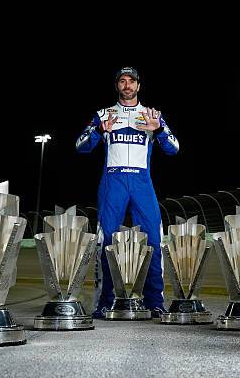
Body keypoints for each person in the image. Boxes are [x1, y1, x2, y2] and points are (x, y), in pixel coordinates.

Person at [76, 67, 179, 318]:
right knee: (106, 241)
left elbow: (174, 148)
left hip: (142, 180)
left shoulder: (152, 114)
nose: (127, 85)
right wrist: (99, 130)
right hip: (113, 180)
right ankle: (104, 302)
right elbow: (80, 145)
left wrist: (158, 130)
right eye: (122, 81)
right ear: (117, 86)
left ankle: (155, 302)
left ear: (138, 86)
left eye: (131, 81)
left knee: (154, 240)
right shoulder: (104, 114)